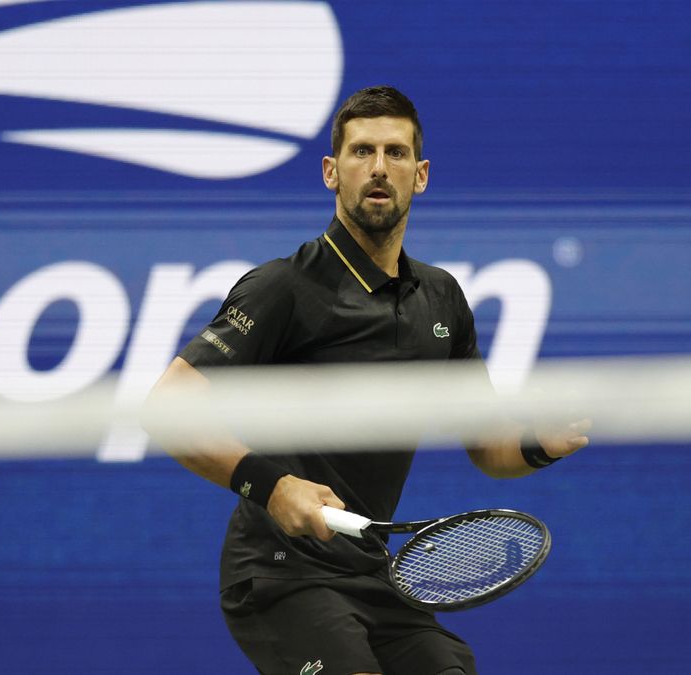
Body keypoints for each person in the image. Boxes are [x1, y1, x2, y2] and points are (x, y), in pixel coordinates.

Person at [144, 86, 591, 675]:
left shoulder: (442, 299)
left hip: (369, 573)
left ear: (421, 174)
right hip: (280, 573)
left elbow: (488, 446)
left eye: (396, 153)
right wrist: (275, 487)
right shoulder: (282, 288)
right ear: (332, 172)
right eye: (361, 152)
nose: (378, 167)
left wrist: (538, 445)